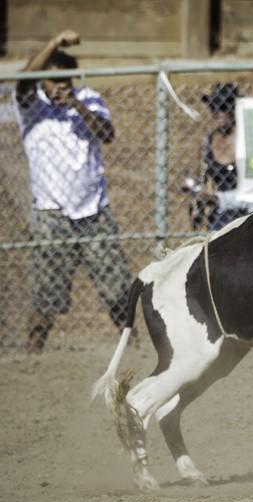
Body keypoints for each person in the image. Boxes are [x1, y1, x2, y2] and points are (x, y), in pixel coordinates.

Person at [14, 29, 136, 354]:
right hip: (52, 215)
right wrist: (53, 42)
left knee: (119, 292)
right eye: (55, 80)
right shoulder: (31, 106)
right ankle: (33, 359)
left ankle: (135, 350)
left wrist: (78, 106)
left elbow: (106, 133)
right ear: (43, 81)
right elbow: (23, 81)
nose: (62, 86)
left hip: (94, 212)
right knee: (46, 297)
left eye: (67, 79)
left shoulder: (89, 98)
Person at [183, 83, 253, 231]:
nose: (218, 114)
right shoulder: (206, 142)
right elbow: (200, 179)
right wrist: (194, 189)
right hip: (220, 216)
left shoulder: (248, 141)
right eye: (214, 108)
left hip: (249, 210)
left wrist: (220, 199)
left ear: (234, 110)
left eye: (223, 108)